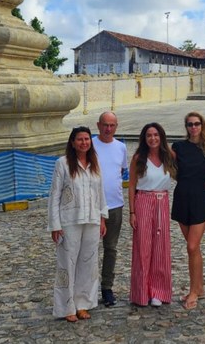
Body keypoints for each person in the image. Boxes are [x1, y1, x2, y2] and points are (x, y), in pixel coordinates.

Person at [48, 126, 108, 322]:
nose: (84, 142)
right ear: (73, 143)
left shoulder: (94, 164)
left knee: (88, 263)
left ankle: (83, 303)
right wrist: (55, 225)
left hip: (91, 220)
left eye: (87, 139)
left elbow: (100, 193)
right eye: (80, 139)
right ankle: (67, 307)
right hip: (69, 221)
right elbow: (54, 195)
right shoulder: (62, 164)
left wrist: (101, 218)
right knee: (67, 263)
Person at [170, 111, 205, 310]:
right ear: (186, 127)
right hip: (182, 197)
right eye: (190, 124)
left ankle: (193, 291)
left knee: (191, 246)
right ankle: (200, 288)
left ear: (202, 125)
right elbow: (171, 169)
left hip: (199, 199)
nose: (193, 127)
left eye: (197, 124)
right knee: (193, 248)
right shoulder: (178, 147)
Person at [128, 122, 177, 307]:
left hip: (162, 202)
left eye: (156, 135)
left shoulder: (169, 156)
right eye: (149, 135)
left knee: (161, 249)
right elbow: (132, 185)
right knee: (143, 248)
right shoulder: (139, 158)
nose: (153, 138)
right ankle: (142, 292)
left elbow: (184, 174)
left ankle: (158, 291)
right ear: (144, 138)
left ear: (161, 137)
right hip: (143, 201)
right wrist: (132, 212)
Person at [92, 111, 128, 307]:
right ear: (98, 125)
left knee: (111, 249)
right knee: (88, 249)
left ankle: (107, 287)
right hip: (93, 206)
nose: (108, 129)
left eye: (112, 125)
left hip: (114, 205)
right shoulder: (90, 145)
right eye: (105, 125)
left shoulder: (121, 148)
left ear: (116, 126)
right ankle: (86, 289)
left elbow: (121, 171)